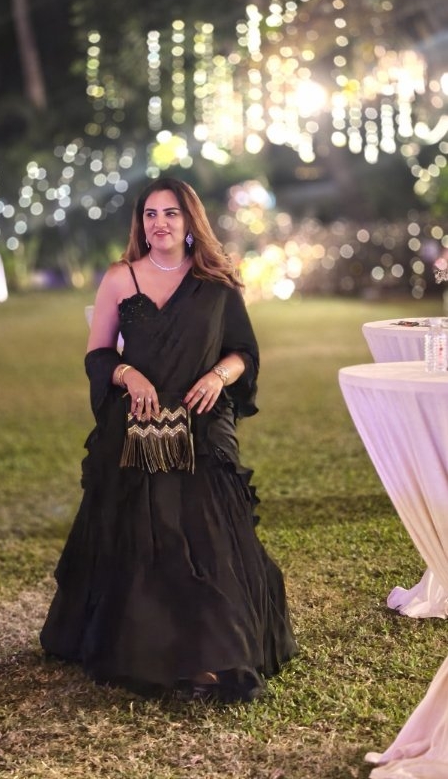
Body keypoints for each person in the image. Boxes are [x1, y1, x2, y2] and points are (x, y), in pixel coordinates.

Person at [40, 177, 297, 701]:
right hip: (139, 420)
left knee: (205, 526)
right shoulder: (121, 277)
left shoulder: (217, 280)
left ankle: (217, 653)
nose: (160, 223)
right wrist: (128, 374)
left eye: (171, 213)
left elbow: (243, 352)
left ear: (190, 221)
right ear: (141, 223)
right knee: (147, 525)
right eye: (150, 214)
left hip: (201, 418)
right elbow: (97, 355)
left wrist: (218, 376)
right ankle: (150, 646)